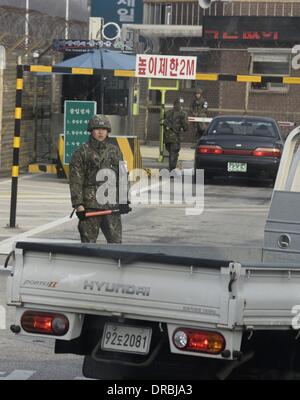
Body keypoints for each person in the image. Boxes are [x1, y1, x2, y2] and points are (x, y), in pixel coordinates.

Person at [69, 114, 124, 244]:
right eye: (97, 129)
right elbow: (76, 180)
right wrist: (78, 205)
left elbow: (122, 176)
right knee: (88, 245)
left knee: (116, 244)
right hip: (90, 207)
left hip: (111, 206)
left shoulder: (115, 151)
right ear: (91, 130)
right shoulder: (81, 152)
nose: (100, 132)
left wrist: (124, 200)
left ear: (108, 131)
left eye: (104, 129)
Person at [163, 97, 189, 171]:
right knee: (174, 153)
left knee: (171, 152)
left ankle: (172, 168)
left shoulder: (168, 112)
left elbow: (163, 123)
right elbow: (185, 127)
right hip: (175, 137)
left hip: (167, 137)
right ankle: (172, 169)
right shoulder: (183, 114)